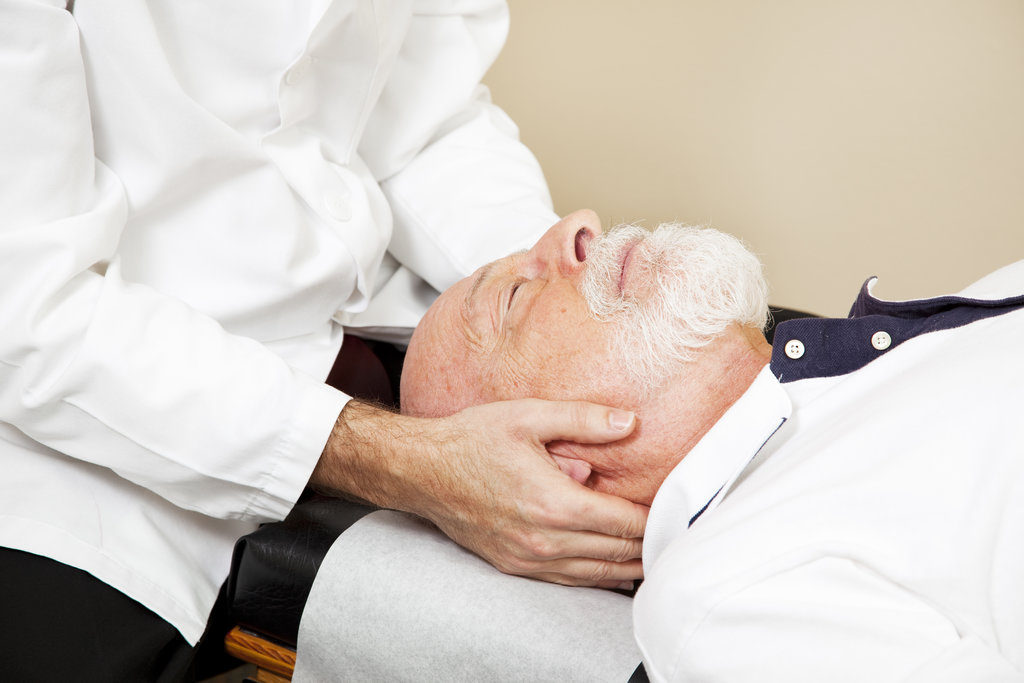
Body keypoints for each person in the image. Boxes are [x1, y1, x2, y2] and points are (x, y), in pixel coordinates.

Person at [0, 3, 646, 679]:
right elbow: (25, 302)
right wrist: (406, 460)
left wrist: (554, 297)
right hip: (74, 442)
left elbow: (424, 118)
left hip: (347, 344)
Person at [401, 209, 1024, 680]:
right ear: (549, 473)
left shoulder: (899, 358)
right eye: (512, 295)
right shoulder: (725, 595)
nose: (578, 223)